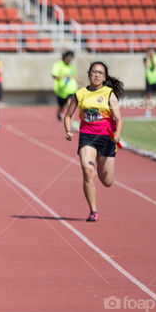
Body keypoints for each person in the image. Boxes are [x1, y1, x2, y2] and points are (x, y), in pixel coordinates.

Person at [63, 61, 123, 223]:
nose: (96, 75)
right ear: (89, 74)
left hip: (106, 138)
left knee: (107, 181)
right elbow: (68, 115)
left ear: (104, 77)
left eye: (100, 73)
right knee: (88, 170)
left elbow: (118, 119)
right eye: (94, 72)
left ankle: (102, 171)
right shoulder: (80, 93)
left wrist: (117, 134)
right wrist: (68, 131)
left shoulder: (109, 94)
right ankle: (93, 210)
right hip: (87, 137)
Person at [51, 50, 78, 121]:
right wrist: (64, 76)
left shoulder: (72, 66)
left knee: (70, 105)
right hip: (61, 90)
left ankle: (70, 119)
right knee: (61, 106)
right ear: (65, 56)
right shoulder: (58, 64)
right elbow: (54, 75)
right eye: (68, 57)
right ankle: (60, 113)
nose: (69, 59)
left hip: (71, 89)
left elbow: (74, 76)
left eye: (71, 57)